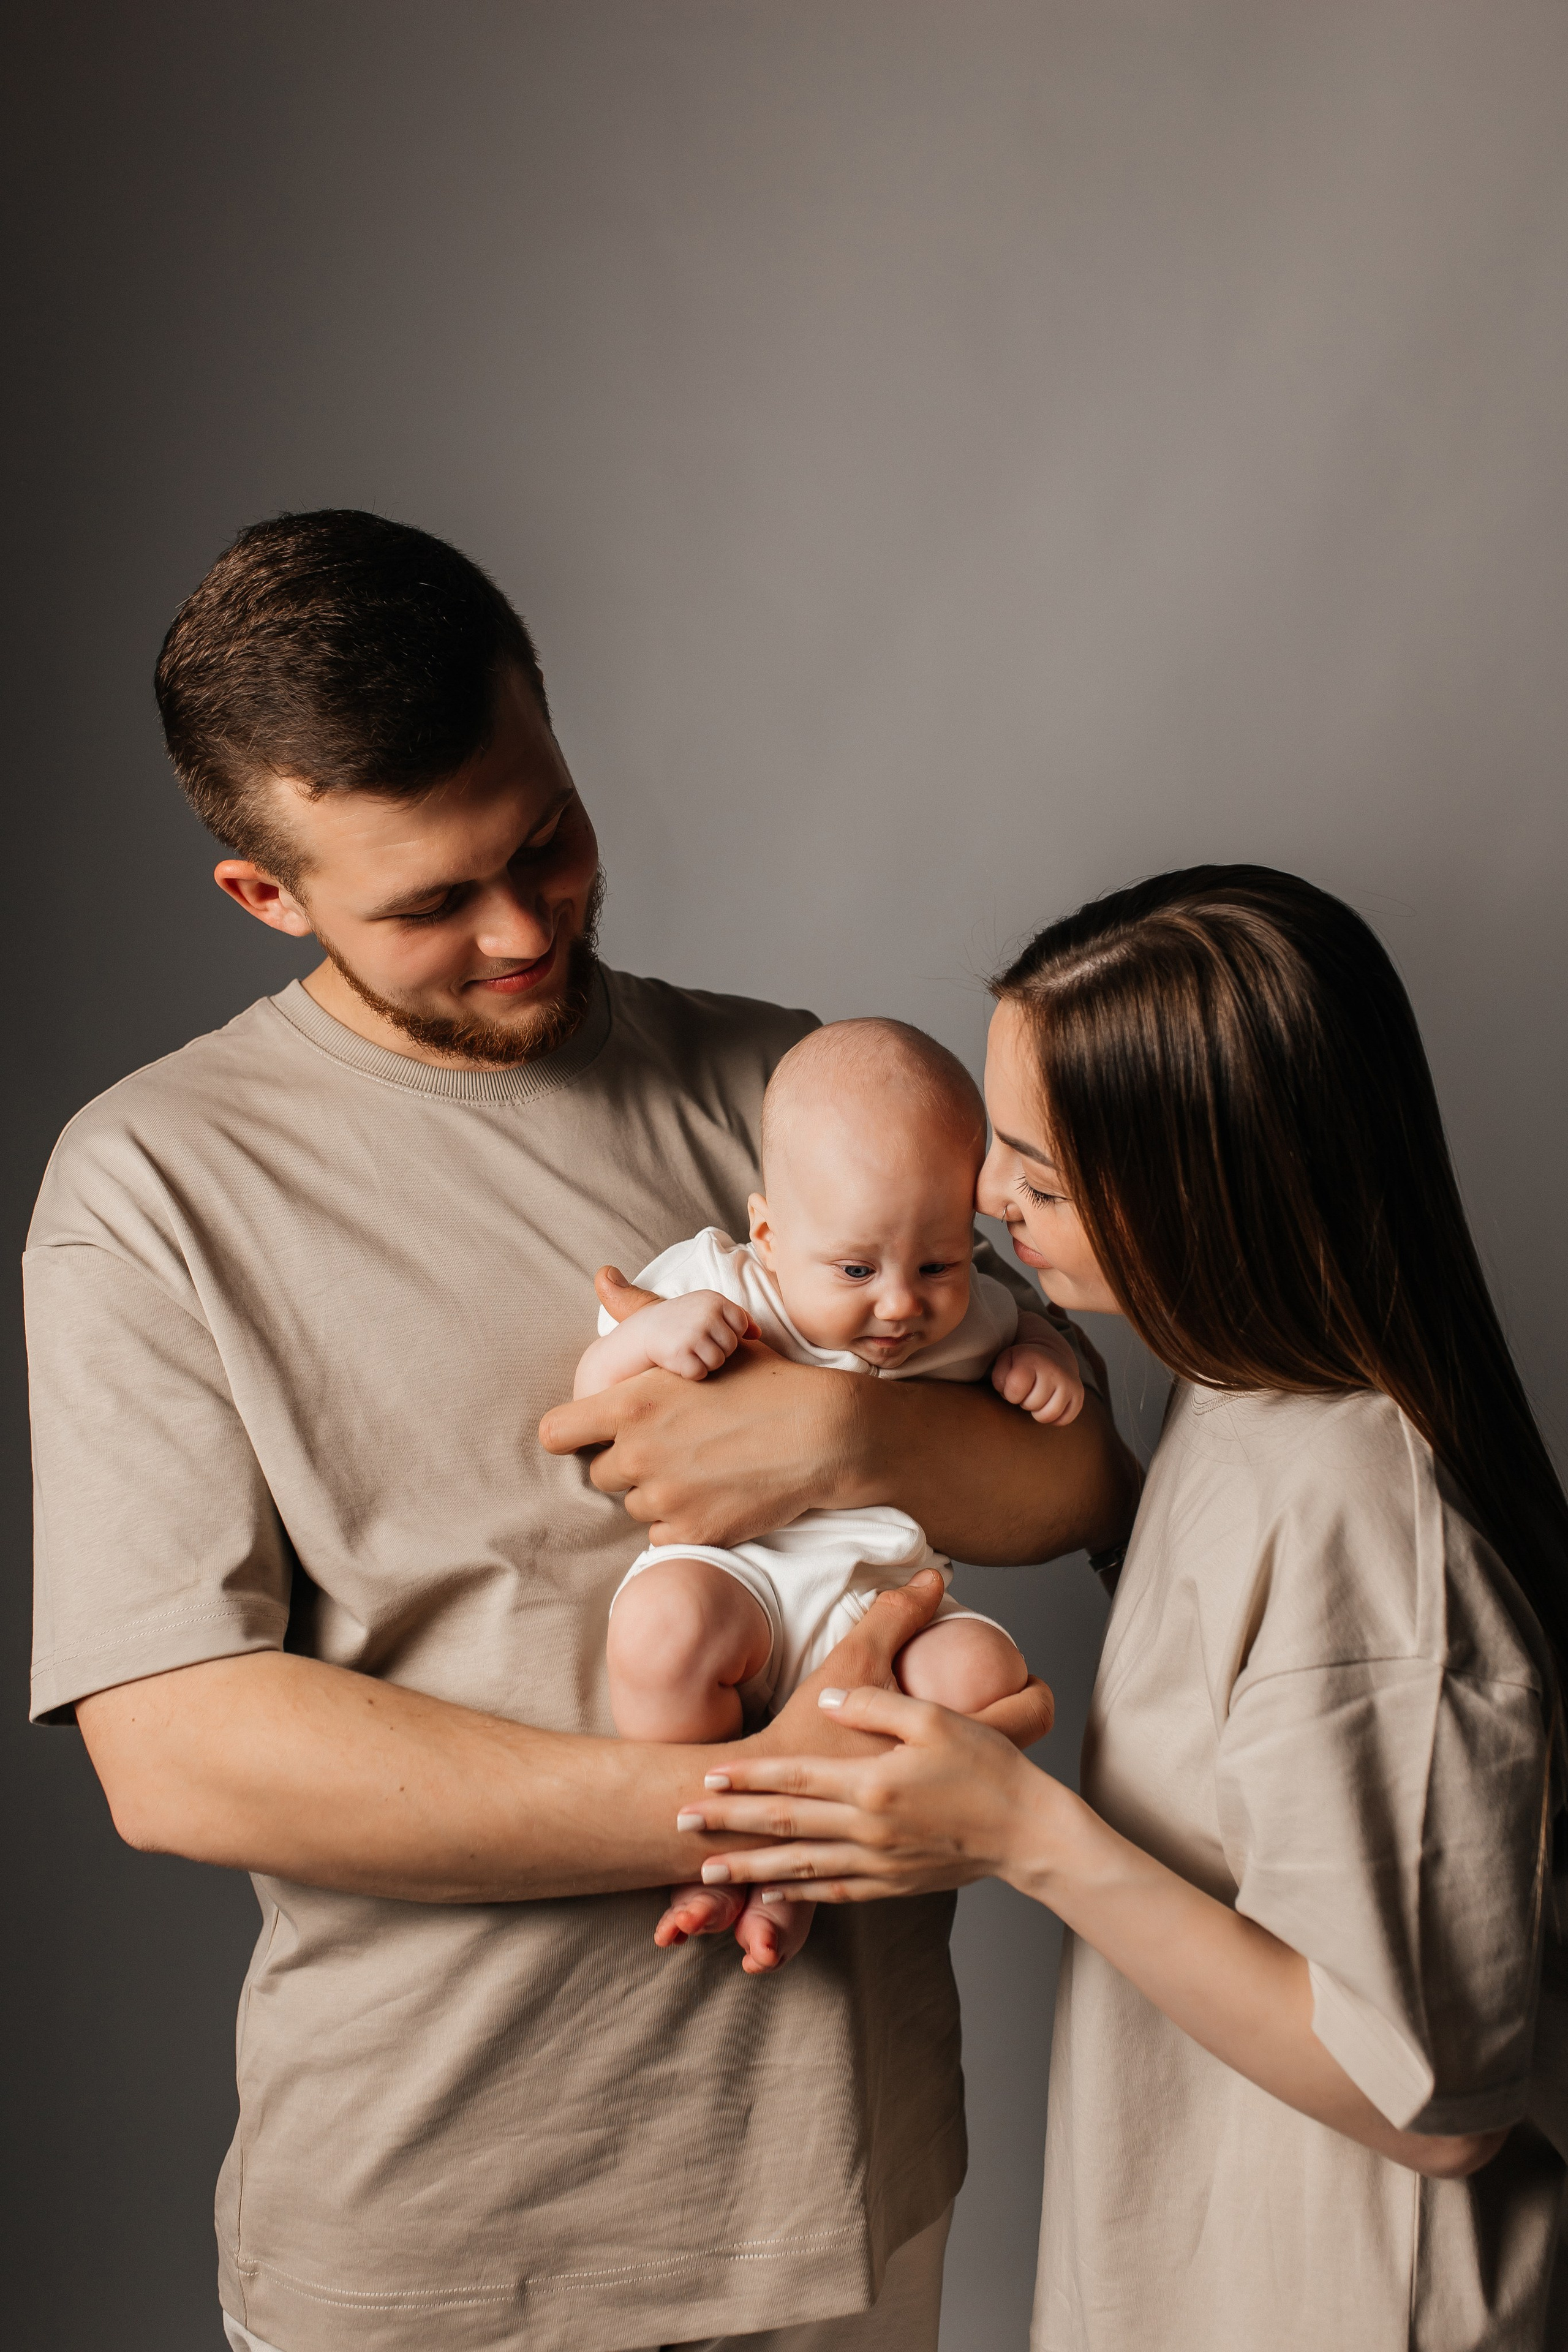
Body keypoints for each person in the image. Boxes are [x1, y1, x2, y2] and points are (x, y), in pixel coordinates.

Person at [24, 509, 1136, 2352]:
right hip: (445, 2221)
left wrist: (831, 1445)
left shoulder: (794, 1096)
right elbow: (181, 1753)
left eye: (543, 838)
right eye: (432, 902)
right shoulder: (150, 1186)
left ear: (550, 724)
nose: (525, 926)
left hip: (841, 2187)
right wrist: (776, 1806)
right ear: (265, 895)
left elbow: (1078, 1478)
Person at [680, 866, 1568, 2351]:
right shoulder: (1233, 1396)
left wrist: (1020, 1834)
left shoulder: (1367, 1527)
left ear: (1201, 1184)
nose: (983, 1205)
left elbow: (1426, 2106)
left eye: (1036, 1175)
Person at [582, 1016, 1083, 1972]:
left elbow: (1025, 1328)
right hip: (741, 1580)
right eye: (857, 1270)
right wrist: (651, 1339)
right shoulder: (716, 1284)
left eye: (936, 1262)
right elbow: (592, 1398)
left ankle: (793, 1878)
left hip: (885, 1602)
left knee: (982, 1673)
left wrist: (1040, 1360)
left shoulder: (969, 1316)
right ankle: (709, 1849)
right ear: (768, 1233)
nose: (901, 1304)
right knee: (660, 1628)